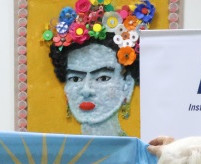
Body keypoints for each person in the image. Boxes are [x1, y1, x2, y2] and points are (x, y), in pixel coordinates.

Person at [45, 2, 154, 136]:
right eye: (75, 79)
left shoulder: (138, 147)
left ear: (127, 85)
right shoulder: (59, 148)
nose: (86, 90)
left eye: (103, 78)